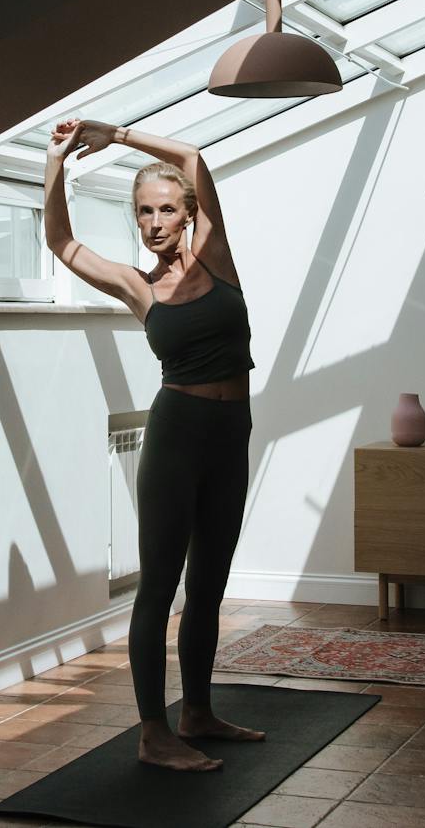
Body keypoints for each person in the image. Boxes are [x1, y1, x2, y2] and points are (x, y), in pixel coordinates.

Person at [43, 116, 267, 772]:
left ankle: (197, 709)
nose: (155, 221)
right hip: (175, 441)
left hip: (230, 437)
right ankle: (153, 729)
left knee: (209, 585)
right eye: (144, 211)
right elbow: (61, 240)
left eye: (167, 208)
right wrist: (56, 163)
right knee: (159, 586)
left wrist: (118, 136)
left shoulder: (217, 256)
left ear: (190, 213)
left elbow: (195, 154)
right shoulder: (141, 288)